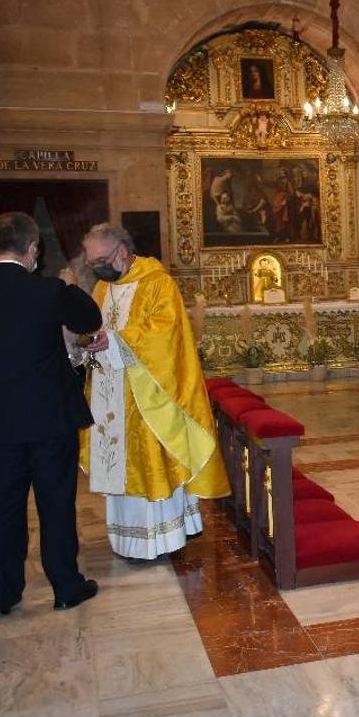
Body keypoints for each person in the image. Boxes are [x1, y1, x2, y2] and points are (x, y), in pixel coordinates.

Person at [0, 212, 102, 616]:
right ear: (33, 249)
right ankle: (66, 586)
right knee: (55, 503)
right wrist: (68, 289)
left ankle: (1, 594)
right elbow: (90, 319)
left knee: (3, 503)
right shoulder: (49, 291)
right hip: (50, 417)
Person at [79, 224, 231, 560]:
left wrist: (116, 340)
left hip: (149, 393)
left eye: (101, 260)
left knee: (153, 460)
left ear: (121, 251)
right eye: (91, 264)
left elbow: (166, 332)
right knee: (118, 462)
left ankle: (160, 538)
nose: (97, 269)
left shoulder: (157, 282)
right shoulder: (103, 288)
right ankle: (128, 537)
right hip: (110, 392)